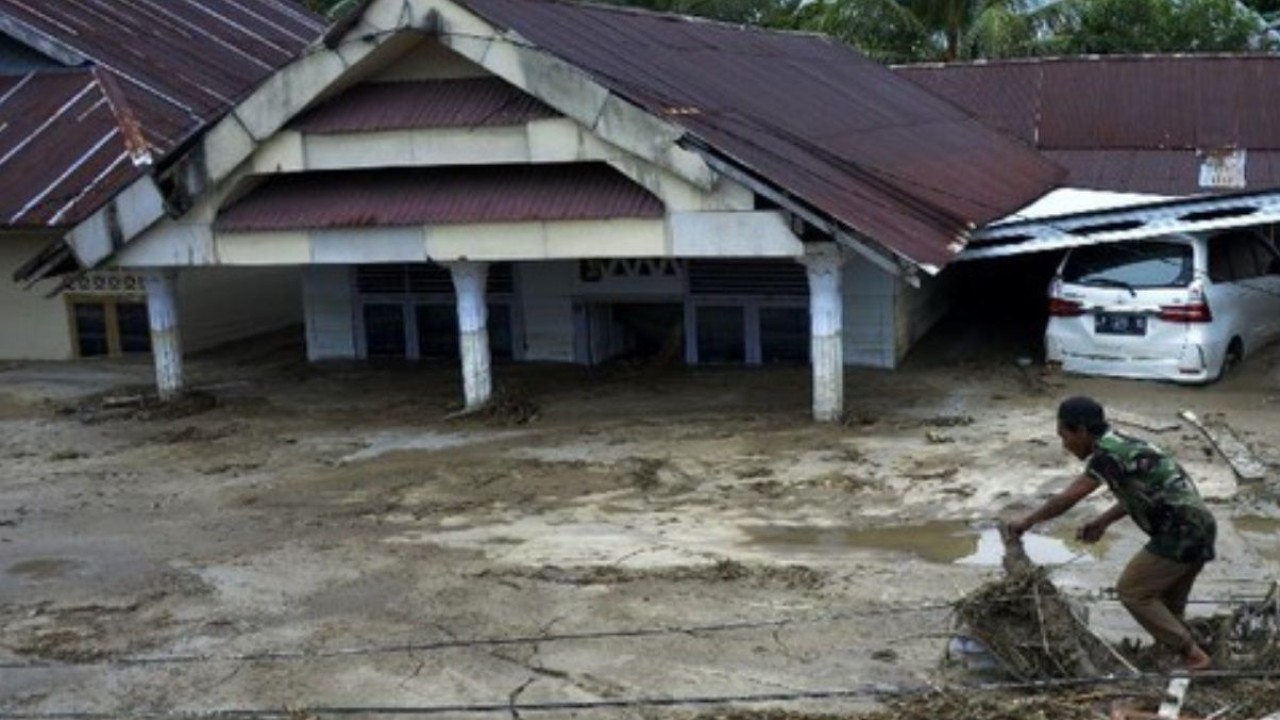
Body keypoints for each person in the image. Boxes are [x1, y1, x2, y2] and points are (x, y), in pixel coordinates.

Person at [1007, 396, 1216, 671]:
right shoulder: (1124, 444)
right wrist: (1102, 522)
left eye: (1064, 436)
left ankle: (1194, 656)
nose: (1064, 445)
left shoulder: (1107, 455)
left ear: (1081, 431)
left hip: (1179, 531)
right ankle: (1174, 656)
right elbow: (1141, 493)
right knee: (1167, 604)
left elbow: (1069, 497)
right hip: (1198, 526)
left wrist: (1028, 521)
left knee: (1133, 591)